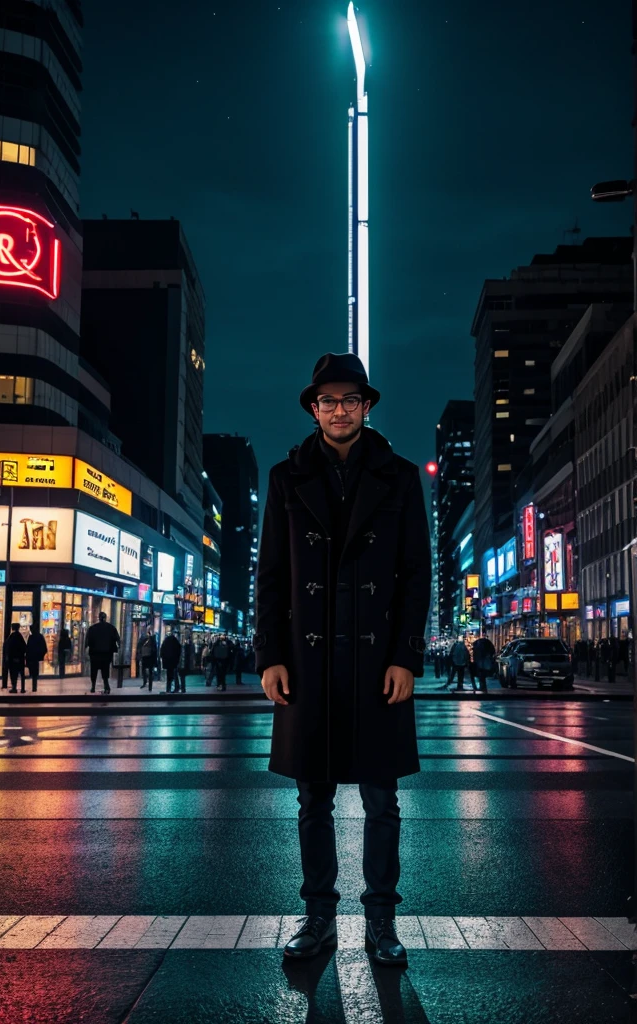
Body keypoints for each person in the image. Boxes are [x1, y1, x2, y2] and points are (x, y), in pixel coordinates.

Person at [254, 352, 431, 966]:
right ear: (313, 409)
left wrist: (408, 656)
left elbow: (416, 574)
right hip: (308, 663)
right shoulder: (285, 477)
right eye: (327, 401)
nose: (338, 410)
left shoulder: (401, 475)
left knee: (382, 801)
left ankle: (380, 920)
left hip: (379, 661)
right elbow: (271, 576)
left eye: (349, 400)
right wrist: (270, 655)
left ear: (366, 406)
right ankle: (318, 917)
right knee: (313, 801)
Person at [85, 611, 120, 694]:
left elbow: (87, 641)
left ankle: (93, 686)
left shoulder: (92, 628)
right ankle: (106, 685)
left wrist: (86, 649)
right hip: (106, 653)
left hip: (95, 653)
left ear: (99, 618)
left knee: (94, 670)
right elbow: (118, 639)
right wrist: (117, 648)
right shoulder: (111, 628)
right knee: (105, 670)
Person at [3, 622, 27, 694]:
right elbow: (24, 647)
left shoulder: (11, 637)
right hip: (20, 658)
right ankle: (22, 688)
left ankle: (14, 688)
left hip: (13, 658)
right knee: (21, 674)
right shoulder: (20, 636)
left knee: (13, 674)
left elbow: (8, 647)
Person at [25, 625, 48, 693]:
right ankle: (34, 687)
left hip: (32, 657)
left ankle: (34, 686)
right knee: (35, 672)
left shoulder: (31, 637)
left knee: (33, 671)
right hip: (36, 657)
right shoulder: (40, 636)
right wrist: (40, 655)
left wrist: (27, 656)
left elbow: (28, 648)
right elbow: (44, 648)